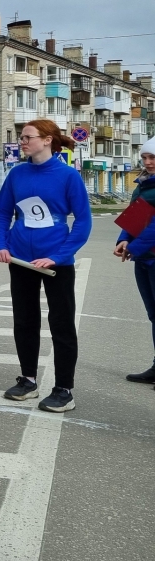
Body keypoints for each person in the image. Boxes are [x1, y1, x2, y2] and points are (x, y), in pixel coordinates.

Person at [0, 120, 90, 413]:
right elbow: (2, 212)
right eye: (21, 137)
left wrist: (60, 256)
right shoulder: (17, 174)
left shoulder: (67, 176)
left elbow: (83, 222)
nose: (21, 142)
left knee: (61, 324)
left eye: (27, 137)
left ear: (47, 140)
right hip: (20, 258)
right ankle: (28, 379)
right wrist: (1, 244)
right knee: (24, 320)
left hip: (54, 261)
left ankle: (64, 389)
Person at [117, 136, 155, 387]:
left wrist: (134, 247)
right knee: (154, 315)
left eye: (152, 158)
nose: (148, 162)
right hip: (144, 259)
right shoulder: (143, 184)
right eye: (144, 157)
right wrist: (123, 239)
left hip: (148, 255)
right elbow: (136, 216)